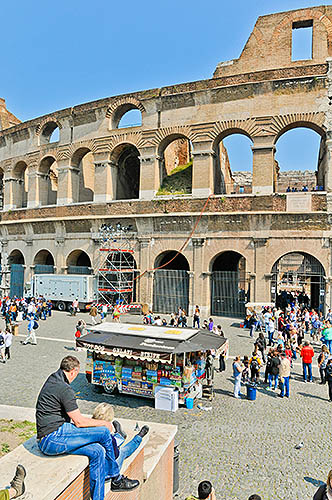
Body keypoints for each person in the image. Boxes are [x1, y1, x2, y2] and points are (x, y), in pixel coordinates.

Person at [36, 356, 139, 499]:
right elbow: (79, 422)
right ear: (73, 372)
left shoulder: (53, 379)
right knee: (103, 432)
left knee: (97, 451)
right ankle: (115, 478)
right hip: (53, 437)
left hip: (48, 438)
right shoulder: (64, 389)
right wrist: (104, 423)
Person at [92, 402, 149, 472]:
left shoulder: (88, 428)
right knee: (123, 451)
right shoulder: (105, 435)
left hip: (101, 462)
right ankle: (138, 437)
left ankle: (120, 435)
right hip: (108, 471)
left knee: (115, 441)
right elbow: (116, 454)